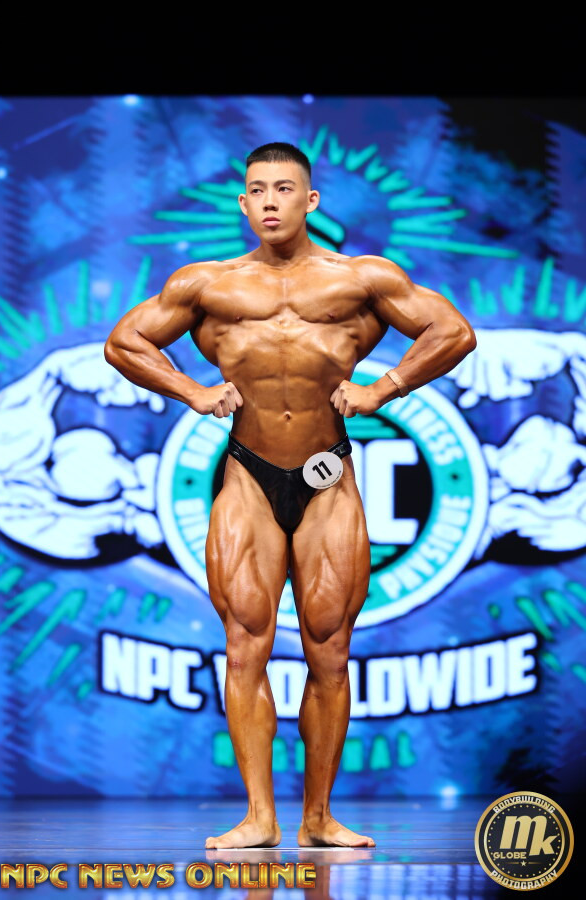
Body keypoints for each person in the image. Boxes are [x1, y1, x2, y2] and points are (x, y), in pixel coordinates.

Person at [104, 141, 476, 848]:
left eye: (284, 188)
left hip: (327, 476)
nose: (270, 201)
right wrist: (191, 391)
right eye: (258, 189)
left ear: (311, 201)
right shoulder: (206, 285)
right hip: (248, 475)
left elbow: (453, 331)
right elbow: (124, 343)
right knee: (244, 646)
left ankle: (319, 816)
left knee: (329, 650)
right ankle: (258, 817)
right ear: (243, 203)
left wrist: (384, 388)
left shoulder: (361, 279)